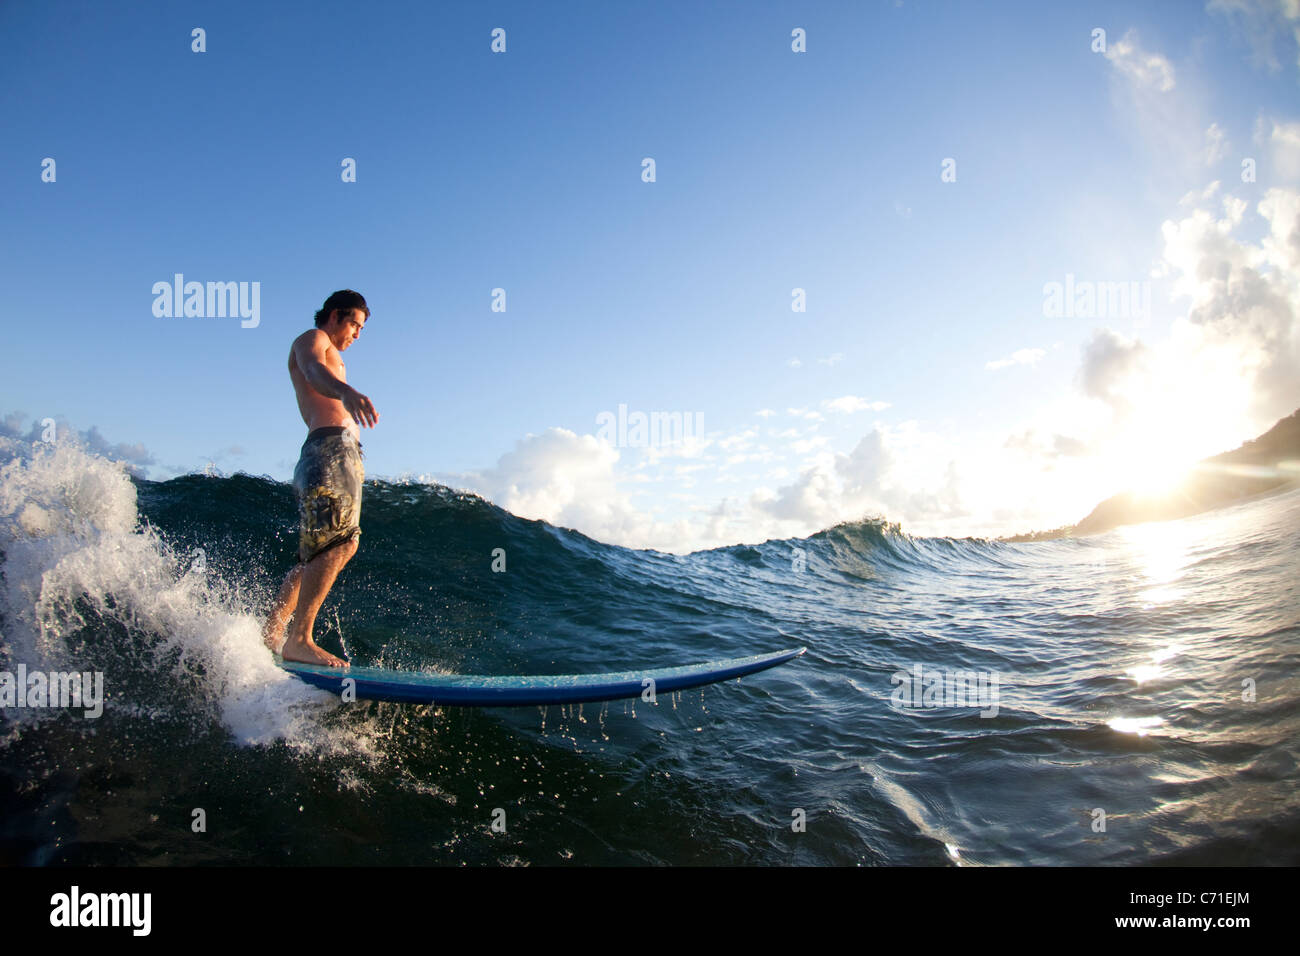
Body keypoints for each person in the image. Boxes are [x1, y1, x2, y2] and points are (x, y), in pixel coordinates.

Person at [262, 290, 379, 666]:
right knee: (341, 545)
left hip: (335, 453)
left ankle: (273, 633)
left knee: (317, 552)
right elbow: (314, 371)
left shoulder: (335, 353)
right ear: (334, 316)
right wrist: (347, 392)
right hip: (328, 450)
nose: (357, 335)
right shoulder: (312, 341)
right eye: (354, 325)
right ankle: (299, 638)